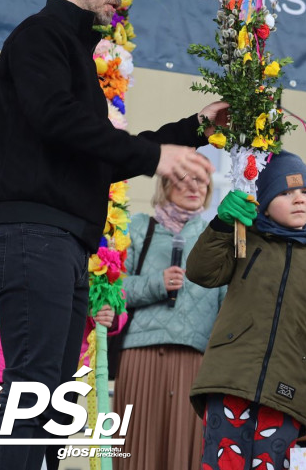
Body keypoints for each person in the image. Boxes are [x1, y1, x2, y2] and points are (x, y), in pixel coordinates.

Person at [0, 0, 225, 470]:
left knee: (51, 400)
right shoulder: (40, 35)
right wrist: (156, 158)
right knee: (32, 389)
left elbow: (101, 157)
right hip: (31, 235)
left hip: (63, 241)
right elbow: (56, 119)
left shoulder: (77, 54)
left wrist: (194, 129)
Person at [187, 151, 306, 469]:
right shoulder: (245, 239)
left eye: (305, 191)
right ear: (264, 202)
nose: (298, 199)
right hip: (231, 379)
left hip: (288, 390)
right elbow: (202, 272)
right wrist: (222, 224)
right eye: (285, 192)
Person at [114, 175, 225, 470]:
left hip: (195, 360)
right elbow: (113, 289)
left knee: (185, 450)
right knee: (138, 449)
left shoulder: (216, 237)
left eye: (202, 182)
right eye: (185, 180)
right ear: (165, 185)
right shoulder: (138, 227)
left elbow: (227, 307)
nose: (195, 187)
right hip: (141, 353)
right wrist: (157, 283)